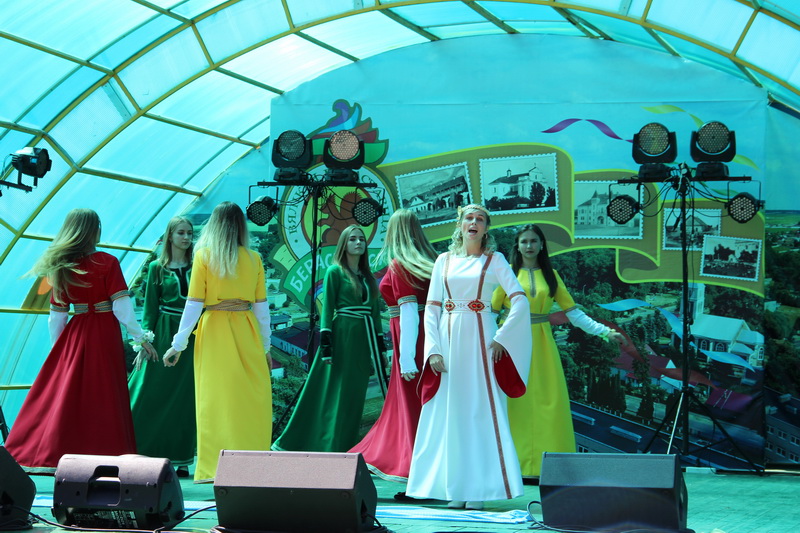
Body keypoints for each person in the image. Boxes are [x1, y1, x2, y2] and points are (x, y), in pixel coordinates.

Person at [4, 209, 157, 472]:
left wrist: (59, 350)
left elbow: (56, 317)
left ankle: (52, 451)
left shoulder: (60, 267)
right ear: (95, 229)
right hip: (103, 333)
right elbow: (121, 308)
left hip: (75, 334)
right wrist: (140, 338)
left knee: (70, 394)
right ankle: (105, 451)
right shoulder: (107, 262)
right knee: (103, 391)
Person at [405, 204, 532, 510]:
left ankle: (479, 490)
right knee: (450, 412)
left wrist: (502, 337)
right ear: (459, 224)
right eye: (469, 218)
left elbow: (520, 300)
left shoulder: (494, 260)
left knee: (480, 411)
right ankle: (456, 488)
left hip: (481, 341)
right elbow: (432, 308)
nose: (474, 223)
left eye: (480, 219)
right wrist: (433, 349)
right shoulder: (443, 260)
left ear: (486, 228)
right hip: (448, 342)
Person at [492, 223, 627, 478]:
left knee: (548, 402)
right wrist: (488, 342)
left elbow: (573, 314)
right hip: (509, 343)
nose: (529, 246)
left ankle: (547, 465)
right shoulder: (505, 273)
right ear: (517, 246)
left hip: (542, 344)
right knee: (511, 401)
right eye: (524, 241)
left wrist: (605, 332)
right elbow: (490, 312)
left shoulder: (552, 275)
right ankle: (511, 465)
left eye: (534, 241)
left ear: (541, 245)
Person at [162, 201, 272, 483]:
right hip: (246, 328)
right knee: (251, 398)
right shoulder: (254, 258)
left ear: (214, 224)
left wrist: (178, 344)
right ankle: (252, 464)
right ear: (241, 225)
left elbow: (193, 304)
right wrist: (266, 346)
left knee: (215, 399)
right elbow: (262, 308)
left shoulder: (204, 256)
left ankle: (216, 465)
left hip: (214, 331)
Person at [273, 224, 385, 453]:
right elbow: (327, 309)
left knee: (355, 395)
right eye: (352, 239)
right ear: (344, 244)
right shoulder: (335, 271)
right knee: (336, 392)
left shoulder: (367, 276)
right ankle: (325, 444)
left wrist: (380, 349)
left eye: (361, 239)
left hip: (364, 341)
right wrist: (326, 345)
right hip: (343, 335)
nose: (358, 242)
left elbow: (374, 314)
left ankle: (347, 446)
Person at [349, 209, 437, 481]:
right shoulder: (431, 262)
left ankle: (412, 460)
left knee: (411, 398)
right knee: (420, 398)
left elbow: (409, 311)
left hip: (410, 338)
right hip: (429, 335)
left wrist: (406, 358)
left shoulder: (401, 266)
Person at [128, 216, 196, 477]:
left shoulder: (199, 265)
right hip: (164, 333)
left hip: (193, 336)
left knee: (185, 396)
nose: (186, 237)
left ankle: (181, 459)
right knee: (148, 390)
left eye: (189, 233)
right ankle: (139, 450)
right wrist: (144, 343)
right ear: (170, 236)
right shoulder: (157, 267)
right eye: (181, 233)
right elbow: (150, 309)